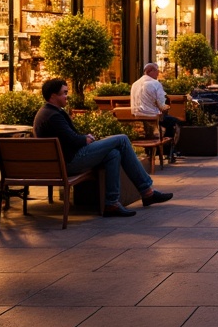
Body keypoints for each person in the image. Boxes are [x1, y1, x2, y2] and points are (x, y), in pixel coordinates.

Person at [34, 78, 173, 216]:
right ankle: (147, 191)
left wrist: (84, 138)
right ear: (53, 96)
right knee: (122, 139)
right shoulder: (53, 116)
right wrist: (86, 138)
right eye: (64, 93)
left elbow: (68, 137)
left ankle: (111, 204)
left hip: (63, 161)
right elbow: (73, 140)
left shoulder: (48, 112)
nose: (67, 96)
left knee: (113, 154)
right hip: (70, 162)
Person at [131, 62, 179, 163]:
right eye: (157, 72)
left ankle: (153, 151)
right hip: (153, 118)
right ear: (150, 71)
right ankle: (169, 152)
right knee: (174, 122)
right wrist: (167, 107)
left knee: (164, 122)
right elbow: (162, 106)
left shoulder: (135, 84)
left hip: (137, 119)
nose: (158, 74)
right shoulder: (155, 84)